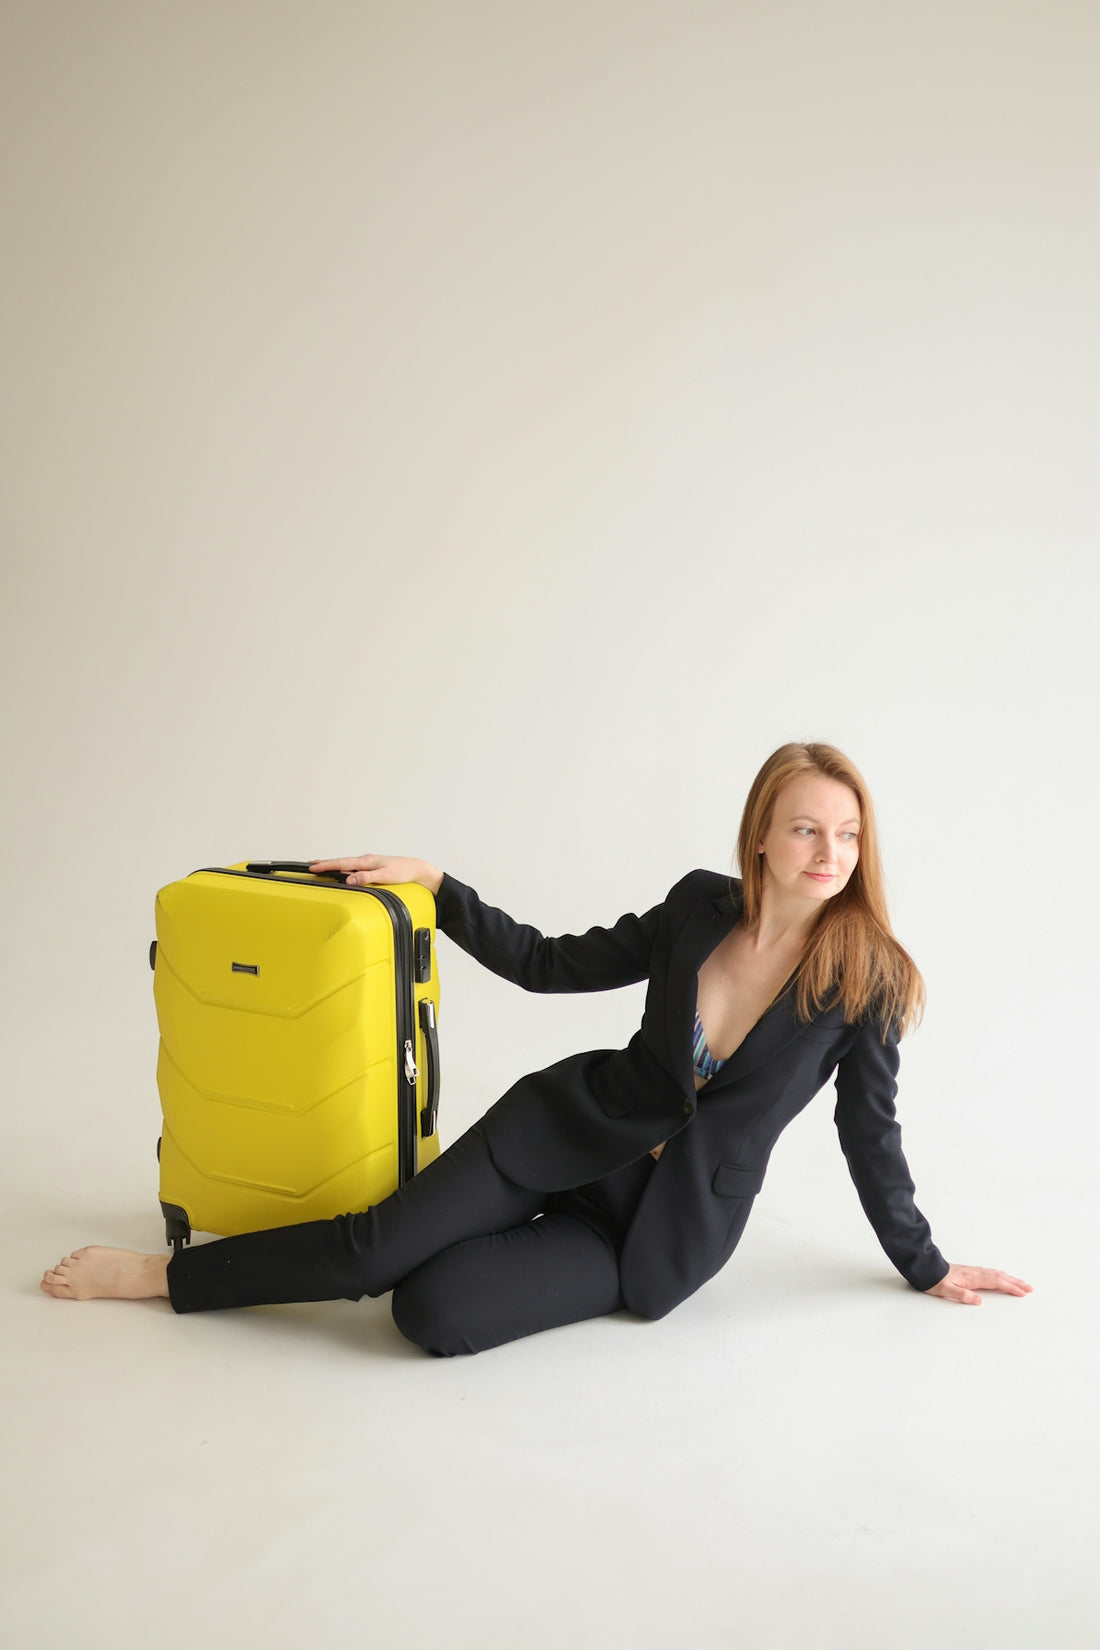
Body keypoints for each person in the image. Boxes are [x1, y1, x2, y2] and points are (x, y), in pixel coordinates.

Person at [40, 742, 1032, 1353]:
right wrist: (439, 886)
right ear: (761, 840)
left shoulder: (866, 981)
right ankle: (160, 1279)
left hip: (645, 1228)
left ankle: (455, 1236)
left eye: (848, 836)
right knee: (370, 1252)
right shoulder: (696, 908)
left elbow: (872, 1137)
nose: (828, 855)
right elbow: (550, 964)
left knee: (427, 1317)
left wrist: (923, 1262)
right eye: (806, 830)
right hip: (560, 1131)